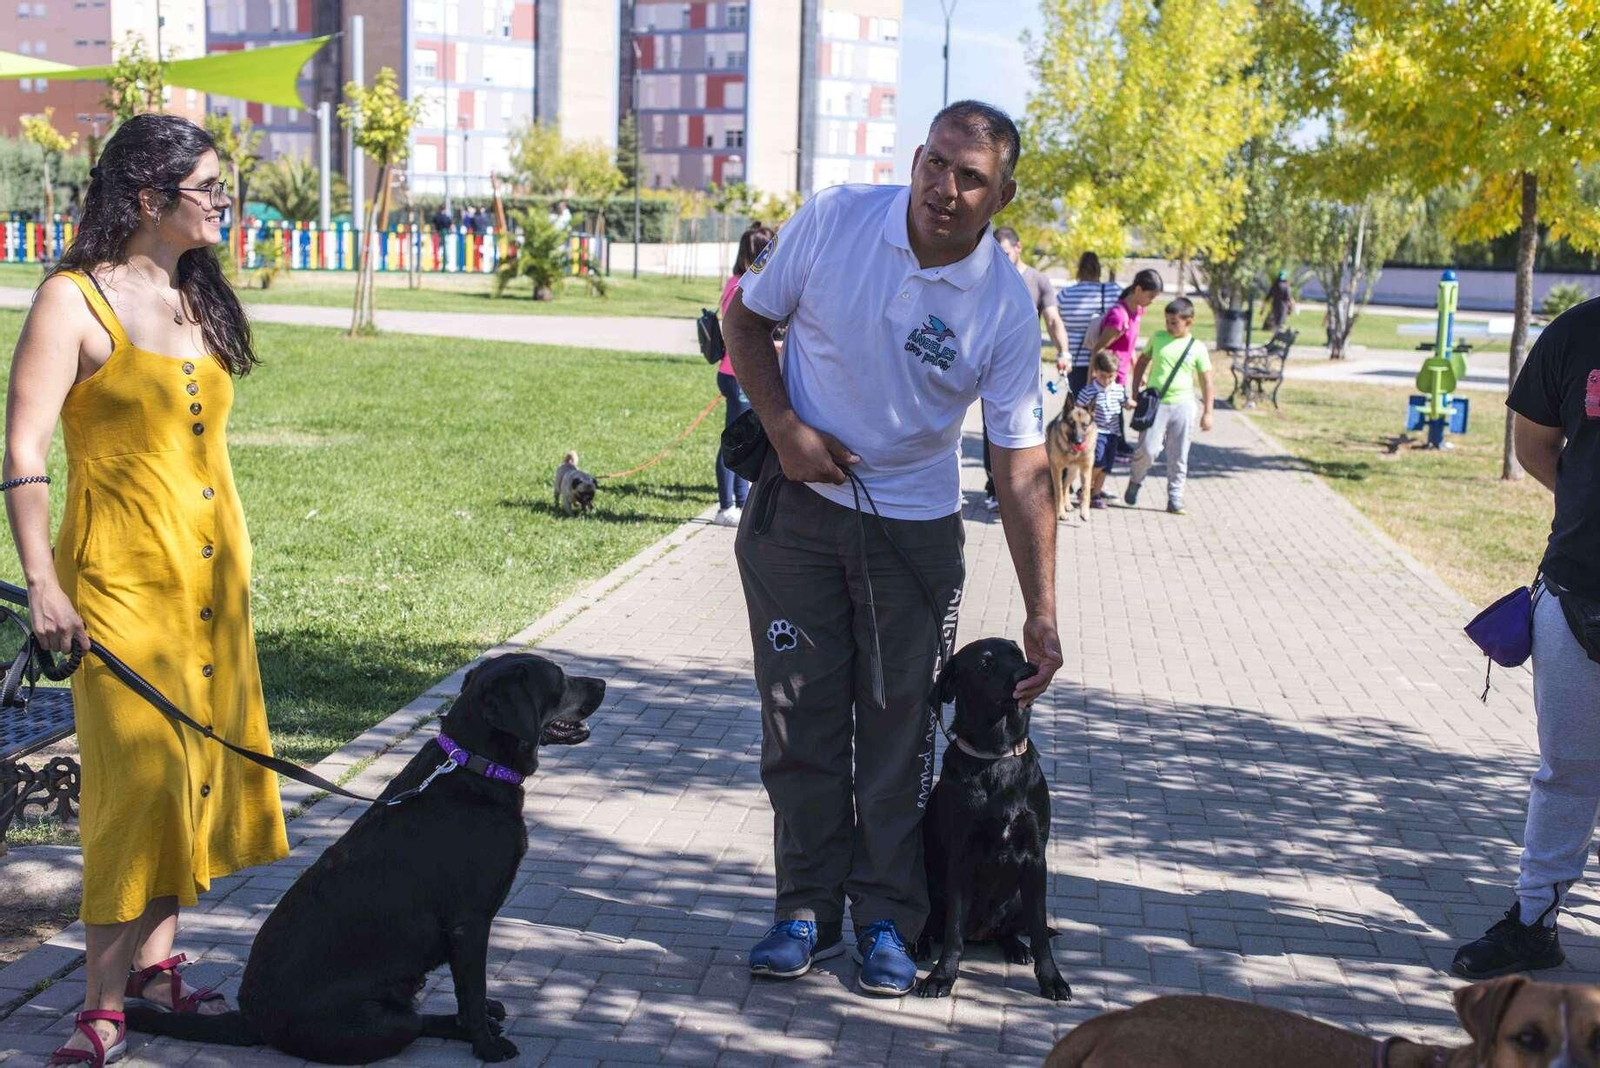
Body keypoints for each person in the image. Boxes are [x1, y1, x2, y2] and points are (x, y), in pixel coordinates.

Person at [722, 100, 1063, 998]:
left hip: (912, 537)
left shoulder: (1004, 307)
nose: (944, 188)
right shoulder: (836, 219)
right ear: (916, 158)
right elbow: (745, 322)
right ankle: (804, 909)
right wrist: (784, 427)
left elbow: (1022, 465)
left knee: (898, 733)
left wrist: (1041, 610)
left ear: (1002, 196)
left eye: (970, 177)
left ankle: (884, 915)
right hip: (795, 518)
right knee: (798, 722)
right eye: (935, 163)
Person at [3, 114, 288, 1067]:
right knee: (137, 784)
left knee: (190, 776)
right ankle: (99, 1005)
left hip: (211, 582)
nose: (224, 202)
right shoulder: (72, 300)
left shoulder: (193, 292)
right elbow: (23, 450)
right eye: (209, 187)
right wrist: (42, 583)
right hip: (119, 581)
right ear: (147, 196)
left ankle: (159, 968)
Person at [1450, 298, 1600, 979]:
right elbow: (1534, 444)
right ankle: (1535, 922)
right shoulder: (1577, 332)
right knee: (1566, 771)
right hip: (1577, 588)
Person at [981, 226, 1070, 511]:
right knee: (991, 427)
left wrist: (1063, 351)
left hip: (1026, 371)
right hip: (988, 368)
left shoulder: (1038, 280)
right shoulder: (987, 277)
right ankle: (995, 488)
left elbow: (1053, 320)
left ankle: (1024, 488)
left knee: (1026, 429)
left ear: (1018, 247)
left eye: (1006, 253)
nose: (1001, 258)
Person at [1123, 296, 1215, 515]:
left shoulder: (1197, 347)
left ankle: (1175, 496)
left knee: (1179, 453)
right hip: (1156, 404)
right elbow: (1141, 363)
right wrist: (1135, 392)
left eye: (1174, 322)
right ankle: (1136, 479)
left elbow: (1206, 381)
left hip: (1183, 405)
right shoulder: (1158, 338)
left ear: (1188, 322)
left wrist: (1208, 412)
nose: (1169, 325)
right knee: (1148, 449)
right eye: (1167, 321)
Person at [712, 224, 773, 527]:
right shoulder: (742, 287)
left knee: (745, 439)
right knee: (735, 441)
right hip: (736, 375)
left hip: (735, 374)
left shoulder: (737, 282)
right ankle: (726, 506)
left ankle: (741, 499)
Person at [1074, 351, 1134, 509]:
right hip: (1096, 433)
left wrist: (1130, 404)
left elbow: (1124, 403)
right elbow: (1078, 410)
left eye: (1111, 376)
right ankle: (1084, 488)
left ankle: (1095, 495)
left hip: (1114, 433)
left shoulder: (1118, 389)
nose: (1106, 380)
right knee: (1099, 462)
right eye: (1102, 376)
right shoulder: (1089, 391)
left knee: (1106, 466)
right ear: (1095, 371)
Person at [1056, 252, 1122, 395]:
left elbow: (1056, 323)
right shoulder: (1113, 291)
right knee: (1106, 404)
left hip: (1076, 359)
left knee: (1079, 403)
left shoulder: (1065, 295)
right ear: (1099, 269)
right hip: (1106, 360)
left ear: (1079, 270)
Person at [1263, 270, 1295, 335]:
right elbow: (1288, 298)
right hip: (1283, 306)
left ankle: (1275, 334)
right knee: (1280, 322)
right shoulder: (1286, 286)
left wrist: (1262, 308)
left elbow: (1268, 297)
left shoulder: (1274, 286)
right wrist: (1292, 307)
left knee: (1276, 322)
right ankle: (1278, 335)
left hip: (1274, 305)